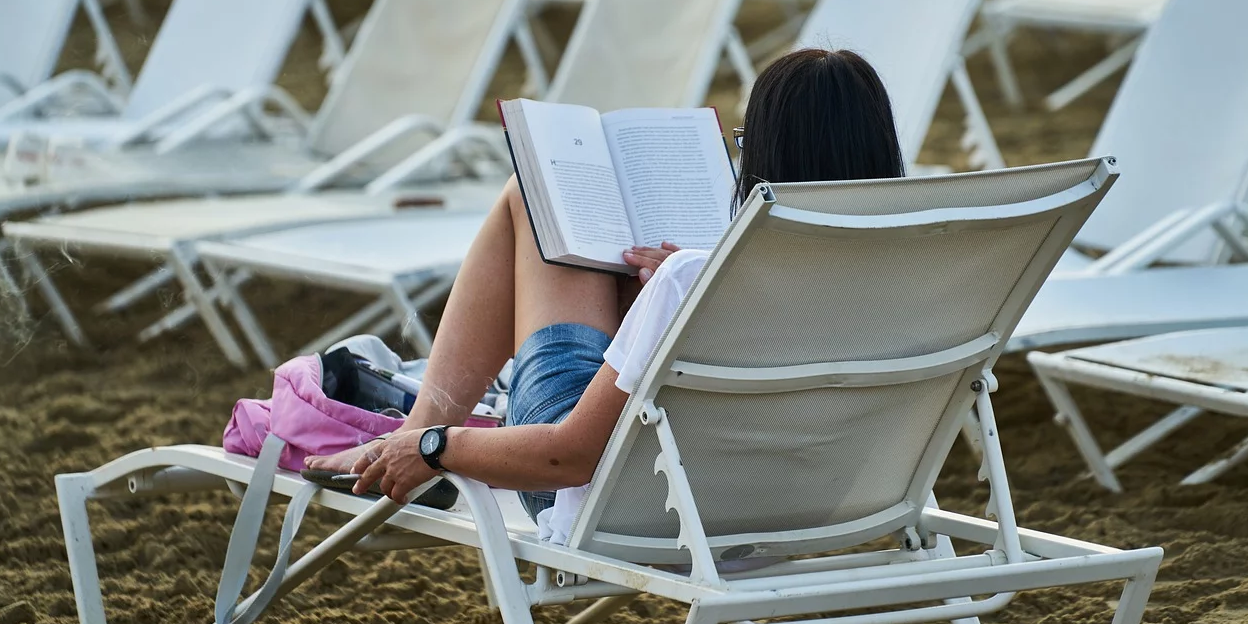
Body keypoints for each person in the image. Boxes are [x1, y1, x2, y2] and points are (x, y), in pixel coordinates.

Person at [305, 47, 905, 542]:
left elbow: (568, 459)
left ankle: (407, 437)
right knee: (625, 273)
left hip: (626, 507)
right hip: (801, 506)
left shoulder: (695, 279)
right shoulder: (915, 284)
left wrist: (437, 448)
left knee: (534, 201)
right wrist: (685, 288)